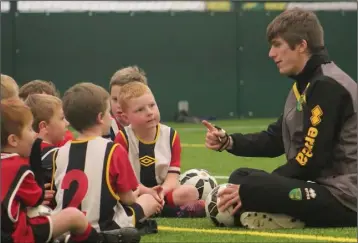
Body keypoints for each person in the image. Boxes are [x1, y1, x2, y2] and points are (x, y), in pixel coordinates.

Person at [203, 8, 357, 229]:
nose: (271, 54)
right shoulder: (304, 86)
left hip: (346, 198)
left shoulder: (327, 86)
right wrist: (229, 141)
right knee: (241, 176)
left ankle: (284, 215)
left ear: (302, 45)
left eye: (277, 45)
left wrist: (261, 187)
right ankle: (282, 212)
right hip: (318, 186)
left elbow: (311, 161)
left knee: (252, 185)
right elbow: (275, 138)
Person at [0, 98, 125, 243]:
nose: (34, 134)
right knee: (73, 216)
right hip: (18, 236)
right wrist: (39, 192)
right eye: (29, 129)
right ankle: (98, 240)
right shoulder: (18, 168)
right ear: (13, 140)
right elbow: (35, 198)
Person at [52, 82, 160, 237]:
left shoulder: (60, 152)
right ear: (100, 117)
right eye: (109, 112)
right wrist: (139, 194)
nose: (111, 116)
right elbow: (128, 199)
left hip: (64, 230)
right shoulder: (113, 149)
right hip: (104, 228)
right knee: (148, 200)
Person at [114, 82, 206, 218]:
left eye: (152, 105)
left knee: (190, 192)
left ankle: (151, 208)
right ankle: (174, 211)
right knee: (122, 198)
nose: (150, 112)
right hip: (136, 192)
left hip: (164, 192)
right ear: (126, 117)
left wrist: (161, 192)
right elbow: (124, 179)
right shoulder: (123, 138)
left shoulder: (171, 136)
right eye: (140, 110)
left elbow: (172, 177)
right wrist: (147, 191)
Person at [25, 93, 69, 187]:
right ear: (44, 126)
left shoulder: (23, 153)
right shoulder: (56, 156)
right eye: (62, 118)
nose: (67, 123)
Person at [105, 66, 148, 140]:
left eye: (125, 100)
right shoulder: (103, 129)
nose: (119, 105)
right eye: (115, 99)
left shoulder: (153, 130)